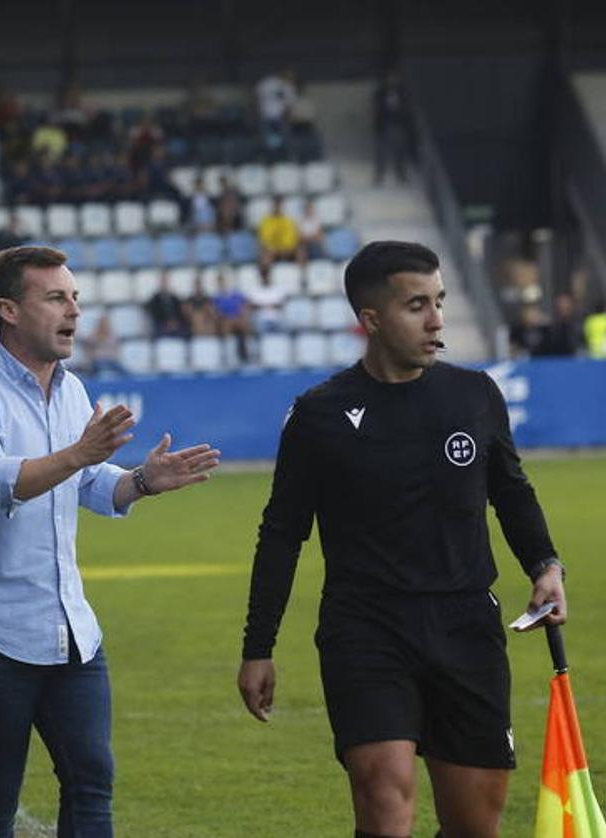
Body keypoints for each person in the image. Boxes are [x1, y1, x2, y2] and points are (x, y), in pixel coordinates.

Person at [237, 241, 568, 838]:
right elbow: (282, 534)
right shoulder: (319, 415)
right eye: (418, 305)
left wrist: (545, 565)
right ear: (372, 320)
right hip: (365, 627)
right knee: (386, 801)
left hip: (466, 623)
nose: (437, 319)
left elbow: (511, 491)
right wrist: (258, 644)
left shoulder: (475, 396)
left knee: (474, 824)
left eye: (439, 301)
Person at [0, 245, 221, 836]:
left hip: (72, 632)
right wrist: (79, 454)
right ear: (8, 310)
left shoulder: (71, 391)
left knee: (93, 781)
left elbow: (90, 483)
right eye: (57, 298)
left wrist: (142, 481)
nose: (74, 311)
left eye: (76, 299)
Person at [257, 195, 301, 266]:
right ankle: (267, 276)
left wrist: (287, 249)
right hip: (272, 251)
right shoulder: (265, 221)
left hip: (287, 250)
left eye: (279, 205)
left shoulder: (288, 221)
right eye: (276, 205)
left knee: (300, 253)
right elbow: (264, 241)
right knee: (265, 256)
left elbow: (293, 239)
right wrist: (274, 249)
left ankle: (302, 275)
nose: (277, 207)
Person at [146, 272, 189, 338]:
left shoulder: (174, 298)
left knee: (185, 332)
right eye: (163, 281)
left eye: (166, 281)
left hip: (175, 325)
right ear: (159, 283)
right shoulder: (155, 299)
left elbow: (179, 312)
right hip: (161, 325)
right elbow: (154, 314)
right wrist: (166, 323)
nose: (164, 284)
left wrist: (175, 322)